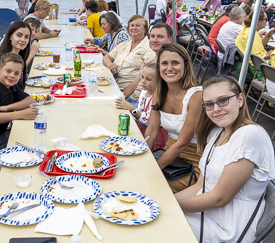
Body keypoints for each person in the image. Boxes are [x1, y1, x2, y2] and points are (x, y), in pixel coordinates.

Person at [176, 76, 275, 242]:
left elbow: (220, 198)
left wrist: (170, 207)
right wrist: (164, 201)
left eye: (223, 100)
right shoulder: (217, 133)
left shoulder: (250, 135)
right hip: (207, 215)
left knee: (159, 224)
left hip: (228, 228)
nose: (216, 109)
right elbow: (200, 186)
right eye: (209, 104)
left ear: (240, 100)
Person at [145, 44, 202, 193]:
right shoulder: (160, 92)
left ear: (186, 65)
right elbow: (151, 130)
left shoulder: (196, 96)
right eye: (164, 63)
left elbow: (182, 143)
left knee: (152, 187)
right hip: (169, 153)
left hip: (195, 161)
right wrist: (142, 156)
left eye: (175, 63)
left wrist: (155, 168)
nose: (169, 68)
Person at [0, 52, 38, 154]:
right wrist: (20, 114)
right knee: (27, 150)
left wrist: (7, 107)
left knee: (32, 140)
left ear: (20, 75)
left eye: (16, 73)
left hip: (2, 134)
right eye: (8, 71)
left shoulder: (13, 87)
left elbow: (31, 100)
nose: (12, 76)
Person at [102, 15, 156, 105]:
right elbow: (107, 57)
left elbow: (141, 78)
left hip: (131, 95)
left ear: (145, 29)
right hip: (115, 86)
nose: (134, 28)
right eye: (132, 25)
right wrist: (110, 64)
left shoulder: (148, 48)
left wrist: (121, 97)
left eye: (138, 25)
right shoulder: (125, 44)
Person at [115, 62, 168, 150]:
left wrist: (131, 108)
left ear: (159, 81)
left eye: (148, 79)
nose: (143, 81)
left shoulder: (157, 98)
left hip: (154, 135)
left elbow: (147, 121)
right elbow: (139, 110)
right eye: (142, 77)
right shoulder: (144, 92)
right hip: (141, 127)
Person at [122, 22, 173, 107]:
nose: (155, 40)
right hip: (132, 100)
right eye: (152, 36)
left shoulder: (169, 65)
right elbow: (133, 84)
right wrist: (121, 98)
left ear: (170, 40)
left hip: (144, 106)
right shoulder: (150, 59)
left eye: (160, 37)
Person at [0, 21, 32, 87]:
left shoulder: (20, 57)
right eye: (19, 35)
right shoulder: (0, 60)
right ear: (10, 36)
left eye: (26, 37)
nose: (23, 40)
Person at [235, 9, 274, 80]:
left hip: (247, 66)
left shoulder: (247, 30)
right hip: (256, 69)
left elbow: (259, 44)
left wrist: (269, 34)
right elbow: (257, 58)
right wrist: (268, 55)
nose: (267, 21)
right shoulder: (251, 34)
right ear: (259, 22)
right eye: (266, 19)